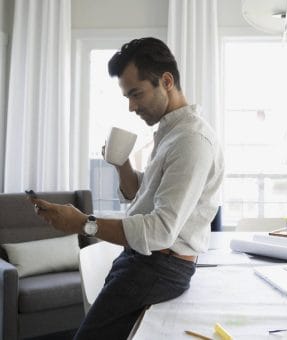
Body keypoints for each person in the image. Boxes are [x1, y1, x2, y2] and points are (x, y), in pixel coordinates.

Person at [29, 37, 224, 339]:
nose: (132, 107)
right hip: (146, 261)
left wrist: (83, 223)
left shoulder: (191, 141)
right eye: (127, 97)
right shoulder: (171, 133)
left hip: (159, 265)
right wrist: (121, 164)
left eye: (137, 94)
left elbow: (160, 230)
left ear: (166, 81)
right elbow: (142, 195)